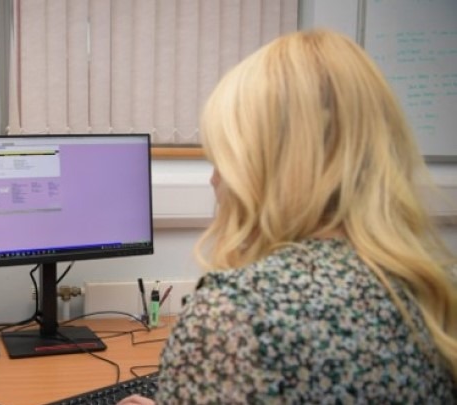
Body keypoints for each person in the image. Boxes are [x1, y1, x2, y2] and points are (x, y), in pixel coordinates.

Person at [119, 29, 457, 404]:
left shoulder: (234, 316)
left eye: (225, 161)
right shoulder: (434, 290)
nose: (214, 180)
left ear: (272, 166)